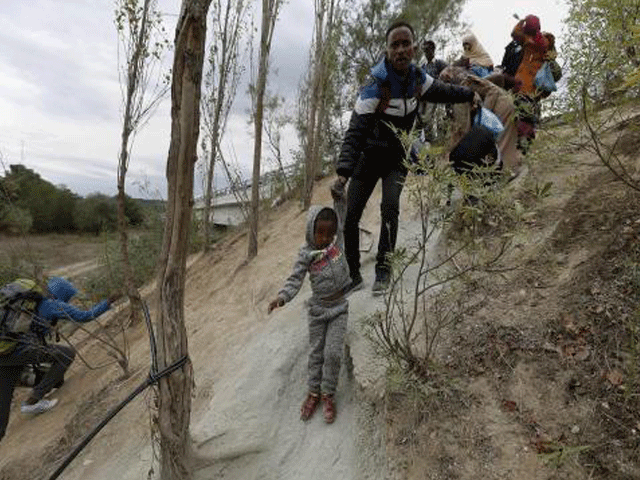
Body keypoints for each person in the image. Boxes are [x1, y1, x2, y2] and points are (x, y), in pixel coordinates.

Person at [333, 20, 480, 294]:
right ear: (387, 50)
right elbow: (355, 131)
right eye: (394, 45)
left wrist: (469, 93)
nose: (400, 50)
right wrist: (344, 171)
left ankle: (383, 271)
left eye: (405, 44)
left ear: (413, 47)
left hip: (396, 158)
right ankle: (352, 274)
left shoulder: (418, 79)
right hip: (367, 157)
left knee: (390, 209)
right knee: (351, 216)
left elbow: (443, 91)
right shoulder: (376, 85)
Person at [0, 277, 119, 442]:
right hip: (19, 351)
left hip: (4, 353)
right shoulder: (52, 305)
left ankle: (27, 405)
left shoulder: (26, 304)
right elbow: (85, 316)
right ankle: (32, 402)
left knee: (2, 413)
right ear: (62, 295)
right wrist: (108, 302)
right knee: (66, 354)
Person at [268, 192, 350, 424]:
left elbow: (342, 221)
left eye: (328, 233)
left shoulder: (336, 246)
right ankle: (313, 392)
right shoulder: (306, 255)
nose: (324, 238)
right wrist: (282, 297)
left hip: (340, 309)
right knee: (316, 353)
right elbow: (295, 279)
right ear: (311, 231)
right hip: (317, 311)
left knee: (332, 353)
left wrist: (340, 202)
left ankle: (328, 393)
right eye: (319, 233)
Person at [440, 66, 521, 176]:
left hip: (501, 107)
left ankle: (506, 173)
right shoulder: (466, 84)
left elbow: (493, 92)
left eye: (445, 80)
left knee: (500, 143)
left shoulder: (465, 84)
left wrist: (484, 115)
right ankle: (508, 171)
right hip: (504, 105)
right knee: (503, 143)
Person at [418, 39, 449, 142]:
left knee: (429, 118)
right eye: (425, 50)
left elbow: (448, 74)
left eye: (428, 50)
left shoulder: (439, 63)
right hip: (423, 95)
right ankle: (420, 139)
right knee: (419, 117)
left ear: (433, 50)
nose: (427, 53)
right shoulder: (423, 66)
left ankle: (430, 140)